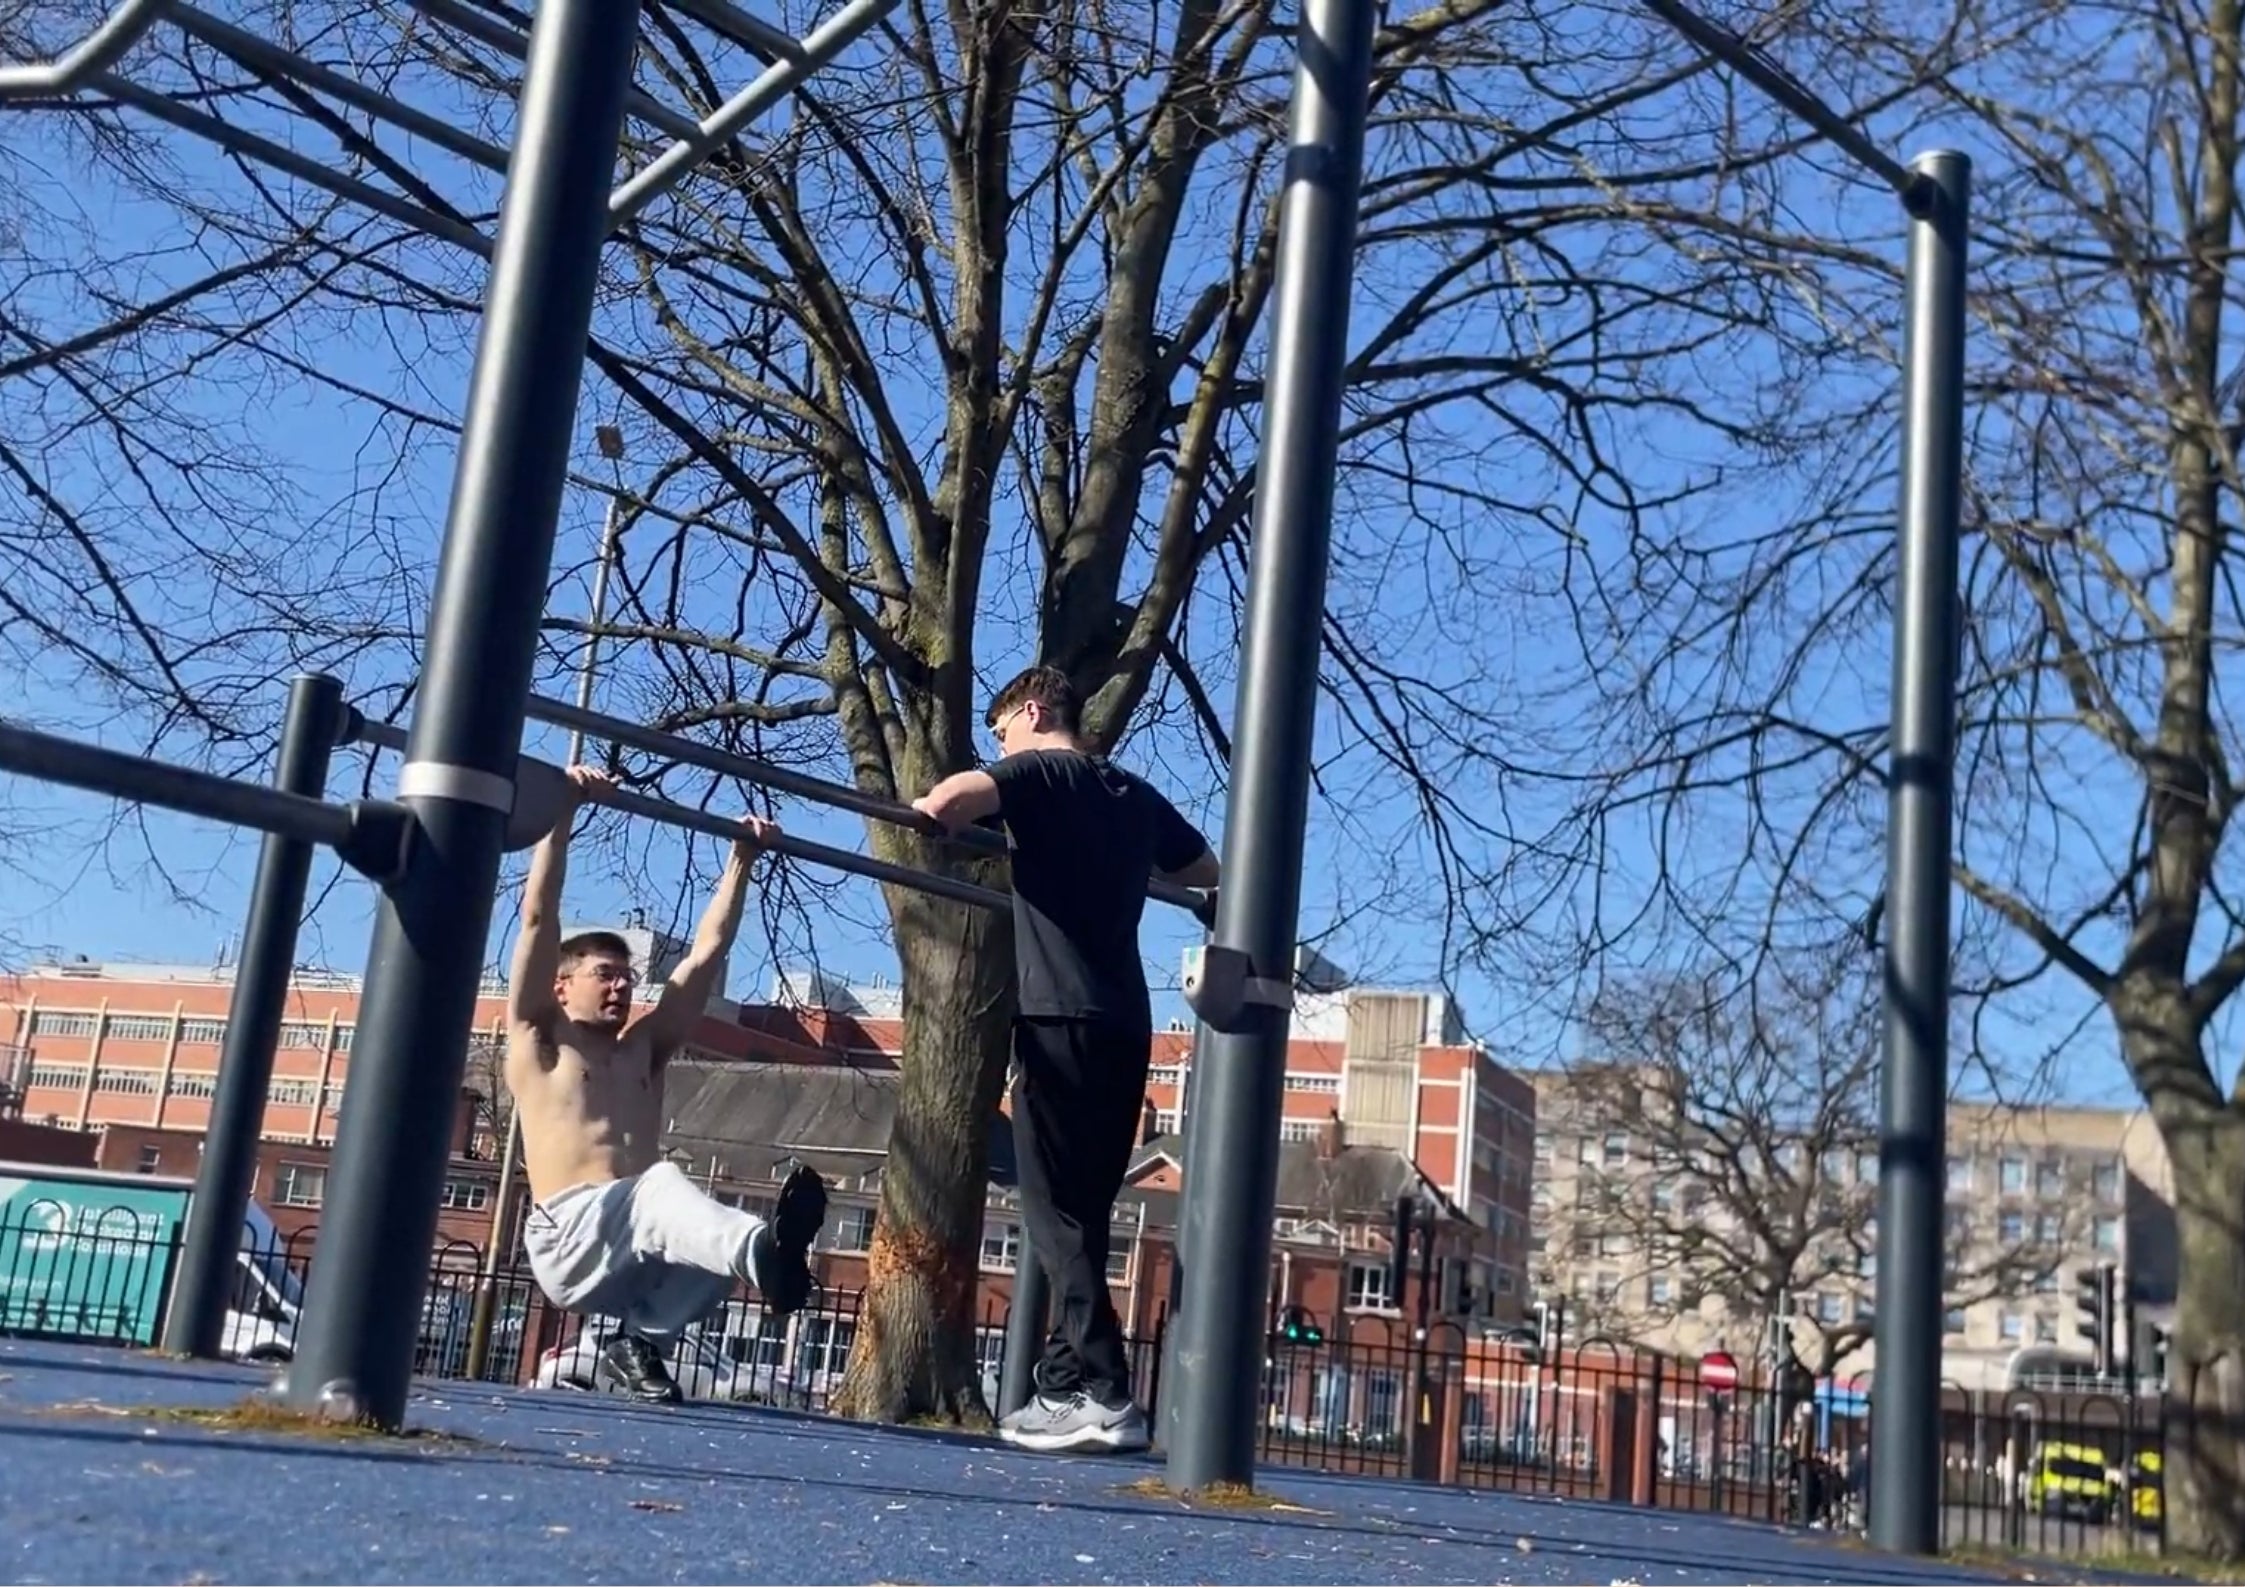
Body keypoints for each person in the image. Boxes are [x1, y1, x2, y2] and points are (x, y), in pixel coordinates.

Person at [914, 666, 1220, 1454]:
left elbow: (949, 804)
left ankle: (1110, 1390)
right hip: (1124, 1020)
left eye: (1000, 729)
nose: (998, 744)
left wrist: (928, 811)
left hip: (1054, 1017)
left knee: (1052, 1211)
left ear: (1033, 709)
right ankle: (1061, 1387)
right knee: (1082, 1209)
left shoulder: (1036, 769)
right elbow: (1203, 871)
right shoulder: (1134, 794)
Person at [507, 764, 827, 1405]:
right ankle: (763, 1255)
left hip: (635, 1248)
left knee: (710, 1248)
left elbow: (703, 958)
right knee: (665, 1191)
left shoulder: (645, 1049)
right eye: (606, 974)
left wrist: (743, 860)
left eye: (628, 977)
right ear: (564, 984)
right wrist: (563, 811)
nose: (622, 986)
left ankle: (638, 1341)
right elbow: (539, 918)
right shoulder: (539, 1038)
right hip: (571, 1235)